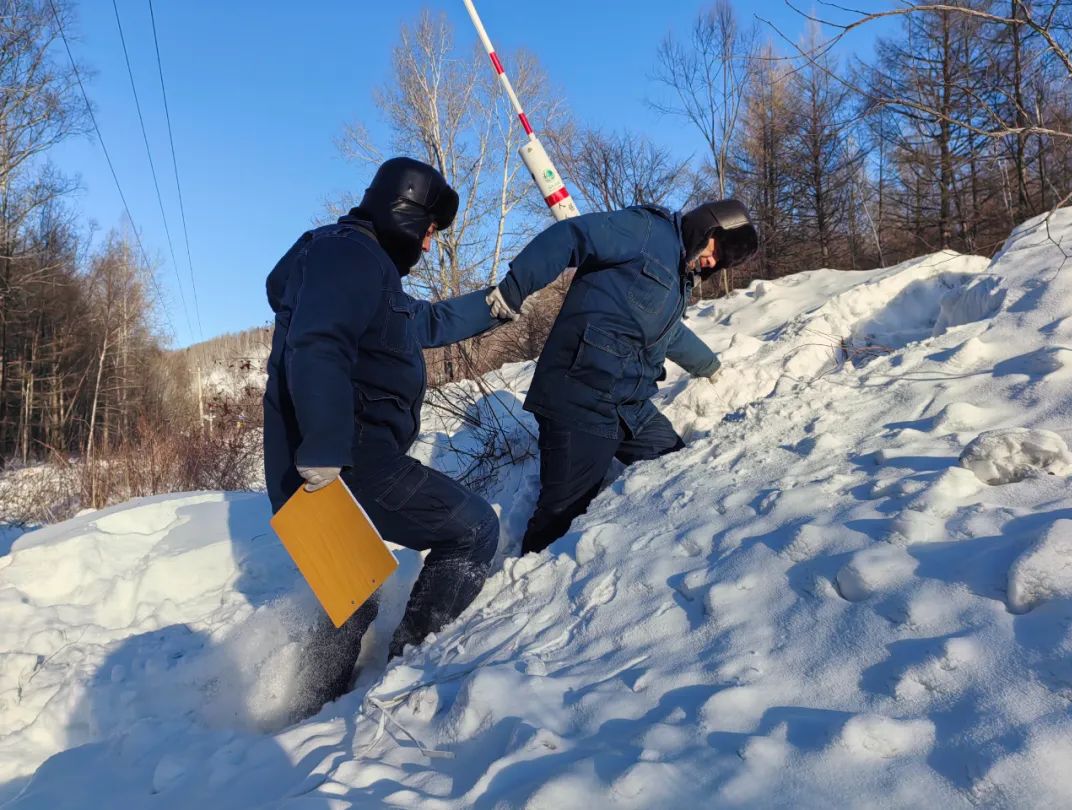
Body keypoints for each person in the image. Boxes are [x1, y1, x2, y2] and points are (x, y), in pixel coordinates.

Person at [263, 157, 515, 683]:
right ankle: (410, 669)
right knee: (472, 529)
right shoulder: (346, 253)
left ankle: (309, 712)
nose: (428, 246)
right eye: (427, 231)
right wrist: (327, 447)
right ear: (403, 211)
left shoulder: (367, 271)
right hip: (345, 461)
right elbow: (318, 343)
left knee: (353, 605)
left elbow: (428, 321)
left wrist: (496, 304)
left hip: (321, 464)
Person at [484, 201, 758, 555]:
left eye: (719, 262)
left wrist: (711, 367)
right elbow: (572, 235)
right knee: (561, 516)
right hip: (578, 398)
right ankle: (531, 589)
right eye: (715, 250)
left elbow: (669, 333)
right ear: (707, 227)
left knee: (677, 466)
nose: (711, 262)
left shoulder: (678, 279)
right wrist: (515, 286)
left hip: (629, 405)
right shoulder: (645, 231)